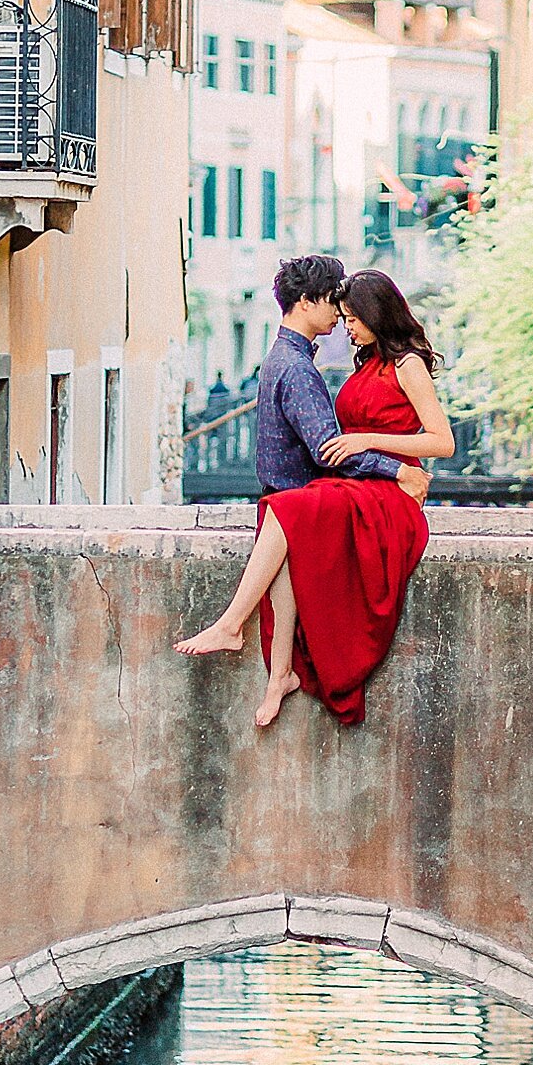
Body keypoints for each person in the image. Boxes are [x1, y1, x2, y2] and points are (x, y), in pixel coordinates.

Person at [176, 259, 453, 730]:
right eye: (341, 316)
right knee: (286, 522)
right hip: (362, 485)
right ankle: (278, 673)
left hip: (387, 495)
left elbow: (442, 442)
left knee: (285, 510)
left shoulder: (407, 366)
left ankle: (233, 626)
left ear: (376, 316)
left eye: (353, 318)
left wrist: (372, 444)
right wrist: (367, 448)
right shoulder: (359, 364)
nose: (345, 327)